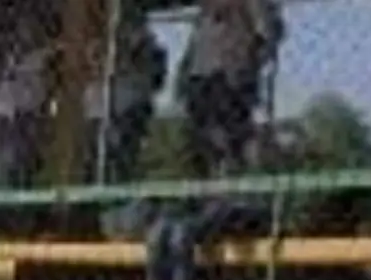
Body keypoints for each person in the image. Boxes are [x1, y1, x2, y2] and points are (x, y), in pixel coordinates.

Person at [178, 0, 282, 178]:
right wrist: (184, 76)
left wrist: (249, 62)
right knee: (204, 133)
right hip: (203, 73)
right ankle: (214, 177)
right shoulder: (207, 11)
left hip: (230, 73)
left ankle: (235, 174)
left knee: (231, 132)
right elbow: (195, 42)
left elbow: (267, 33)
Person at [84, 4, 167, 185]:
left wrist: (128, 58)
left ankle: (122, 175)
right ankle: (102, 172)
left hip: (130, 99)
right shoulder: (106, 41)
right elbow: (94, 63)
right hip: (107, 101)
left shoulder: (148, 44)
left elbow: (154, 79)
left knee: (122, 143)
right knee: (99, 138)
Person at [0, 21, 57, 189]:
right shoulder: (10, 58)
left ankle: (24, 177)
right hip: (10, 105)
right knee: (1, 142)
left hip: (28, 105)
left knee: (23, 144)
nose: (25, 37)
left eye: (29, 32)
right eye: (22, 33)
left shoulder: (41, 55)